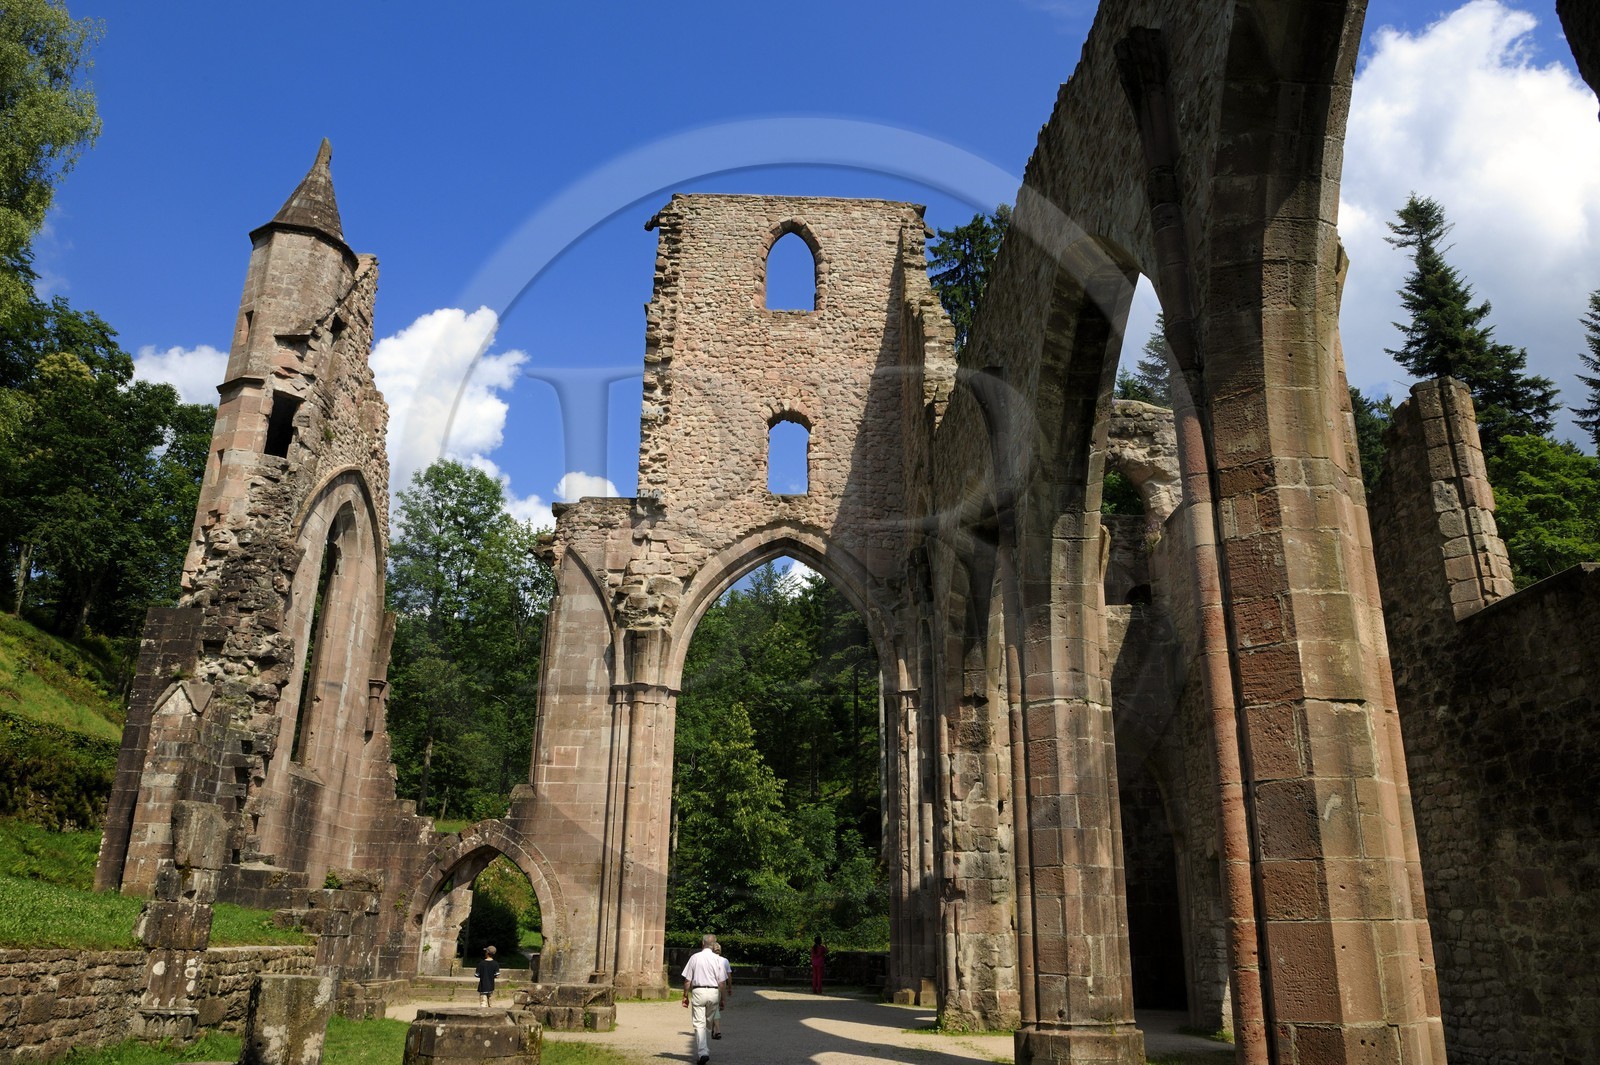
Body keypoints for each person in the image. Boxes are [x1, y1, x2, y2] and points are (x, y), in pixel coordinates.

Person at [681, 933, 729, 1065]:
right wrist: (723, 999)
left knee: (700, 1024)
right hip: (713, 992)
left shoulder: (695, 958)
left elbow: (687, 980)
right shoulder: (719, 960)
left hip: (698, 991)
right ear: (714, 945)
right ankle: (703, 1052)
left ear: (702, 943)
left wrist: (685, 995)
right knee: (706, 1022)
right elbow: (722, 983)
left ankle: (703, 1051)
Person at [710, 941, 732, 1039]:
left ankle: (714, 1029)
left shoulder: (708, 959)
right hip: (719, 987)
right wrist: (729, 988)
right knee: (716, 1009)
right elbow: (729, 976)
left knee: (712, 1009)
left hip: (709, 985)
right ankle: (715, 1030)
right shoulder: (725, 961)